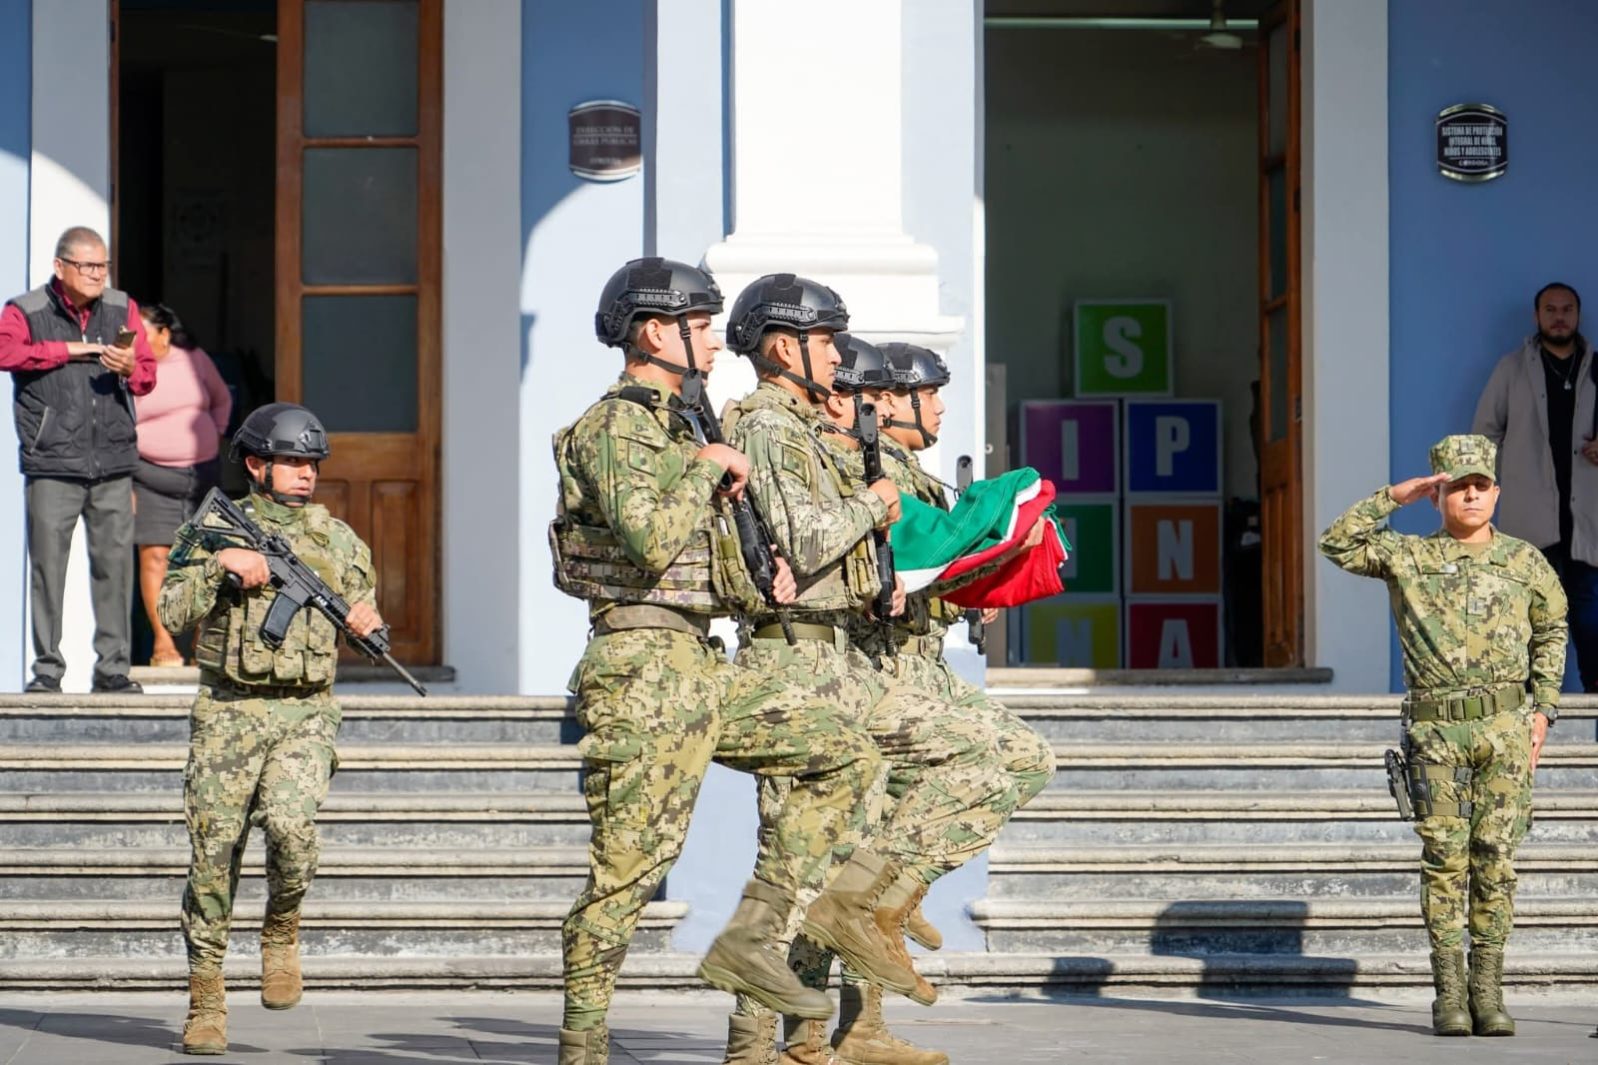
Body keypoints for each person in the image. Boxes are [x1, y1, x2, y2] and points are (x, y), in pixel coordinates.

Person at [553, 258, 912, 1065]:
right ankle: (583, 1043)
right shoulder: (613, 425)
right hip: (639, 668)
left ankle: (753, 937)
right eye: (703, 325)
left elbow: (702, 558)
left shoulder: (686, 427)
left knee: (843, 755)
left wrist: (763, 583)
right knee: (629, 872)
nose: (715, 342)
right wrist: (712, 467)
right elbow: (646, 535)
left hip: (703, 662)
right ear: (656, 331)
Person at [721, 279, 1017, 1064]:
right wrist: (877, 504)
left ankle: (844, 1021)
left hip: (847, 658)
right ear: (787, 348)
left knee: (838, 864)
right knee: (795, 872)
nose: (857, 395)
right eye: (832, 355)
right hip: (796, 661)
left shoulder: (808, 437)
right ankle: (767, 1047)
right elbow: (810, 536)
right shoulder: (764, 426)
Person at [1318, 434, 1564, 1038]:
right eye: (1457, 486)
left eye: (1481, 484)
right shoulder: (1408, 556)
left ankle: (1489, 988)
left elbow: (1551, 628)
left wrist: (1544, 711)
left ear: (1496, 492)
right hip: (1437, 731)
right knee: (1445, 861)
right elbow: (1336, 543)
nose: (1471, 494)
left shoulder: (1524, 560)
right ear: (1440, 495)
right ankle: (1449, 993)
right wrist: (1395, 496)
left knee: (1497, 860)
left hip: (1506, 728)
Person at [158, 403, 382, 1055]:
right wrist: (219, 564)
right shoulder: (213, 527)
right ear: (257, 464)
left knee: (291, 826)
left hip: (306, 712)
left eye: (313, 463)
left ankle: (281, 927)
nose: (306, 473)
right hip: (228, 711)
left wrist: (365, 623)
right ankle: (206, 997)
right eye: (292, 461)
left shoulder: (339, 541)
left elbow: (360, 611)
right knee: (213, 853)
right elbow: (172, 609)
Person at [0, 226, 157, 693]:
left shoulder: (120, 307)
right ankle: (47, 671)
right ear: (60, 267)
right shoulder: (24, 309)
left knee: (114, 568)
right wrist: (71, 350)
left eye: (102, 265)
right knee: (48, 570)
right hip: (51, 462)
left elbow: (146, 376)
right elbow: (6, 351)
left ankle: (113, 669)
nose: (96, 275)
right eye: (87, 266)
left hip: (112, 460)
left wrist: (129, 368)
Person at [1472, 282, 1598, 690]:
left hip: (1587, 529)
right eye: (1550, 309)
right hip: (1528, 530)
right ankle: (1527, 740)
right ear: (1537, 316)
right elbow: (1484, 436)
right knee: (1526, 635)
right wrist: (1483, 502)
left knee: (1592, 630)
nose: (1559, 316)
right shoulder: (1512, 370)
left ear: (1577, 315)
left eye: (1567, 309)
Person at [133, 303, 231, 666]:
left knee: (203, 561)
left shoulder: (195, 359)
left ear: (164, 333)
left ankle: (199, 645)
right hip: (149, 476)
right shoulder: (128, 368)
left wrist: (214, 434)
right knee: (155, 558)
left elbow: (222, 399)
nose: (137, 343)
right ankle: (164, 644)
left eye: (144, 335)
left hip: (201, 477)